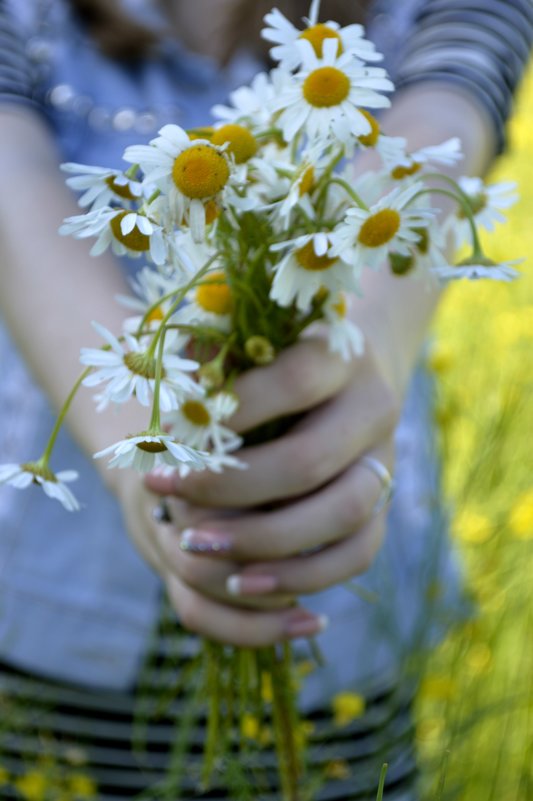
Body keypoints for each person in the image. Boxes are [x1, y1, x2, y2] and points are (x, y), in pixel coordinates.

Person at [0, 0, 531, 798]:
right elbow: (12, 190)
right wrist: (142, 468)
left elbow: (446, 111)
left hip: (332, 589)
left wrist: (354, 360)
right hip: (44, 604)